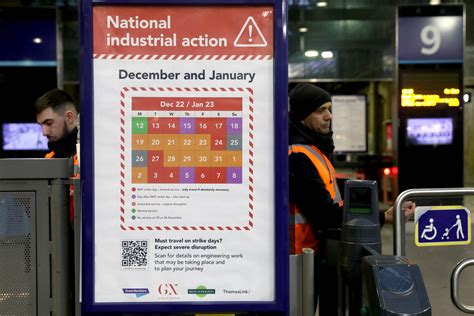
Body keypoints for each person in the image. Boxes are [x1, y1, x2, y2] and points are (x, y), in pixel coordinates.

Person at [288, 83, 415, 315]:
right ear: (302, 115)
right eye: (319, 111)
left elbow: (328, 188)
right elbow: (324, 212)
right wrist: (381, 217)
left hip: (311, 251)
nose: (329, 116)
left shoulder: (312, 149)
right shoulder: (297, 155)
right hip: (298, 257)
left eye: (329, 109)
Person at [35, 88, 79, 159]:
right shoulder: (50, 158)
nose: (44, 132)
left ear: (69, 117)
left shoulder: (91, 155)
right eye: (41, 125)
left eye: (49, 123)